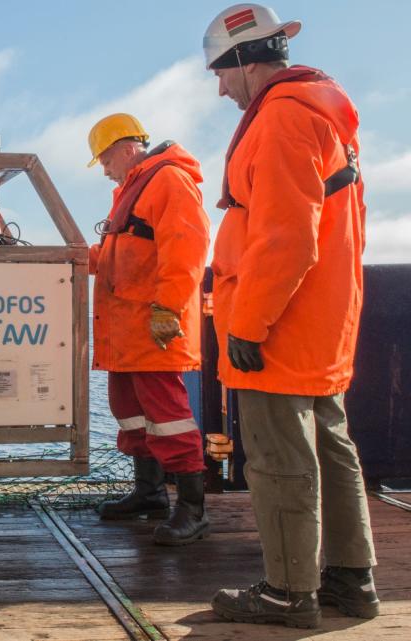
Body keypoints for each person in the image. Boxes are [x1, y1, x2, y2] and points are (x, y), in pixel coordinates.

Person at [202, 4, 378, 628]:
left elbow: (284, 238)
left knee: (278, 460)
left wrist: (247, 324)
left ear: (245, 62)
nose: (220, 87)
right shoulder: (325, 116)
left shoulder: (280, 120)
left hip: (275, 325)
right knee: (332, 447)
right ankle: (351, 580)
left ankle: (287, 592)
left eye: (221, 73)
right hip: (320, 321)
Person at [86, 113, 211, 546]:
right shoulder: (132, 191)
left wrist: (168, 309)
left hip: (152, 327)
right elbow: (115, 256)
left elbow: (187, 247)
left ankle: (193, 510)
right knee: (132, 414)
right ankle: (150, 493)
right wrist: (68, 257)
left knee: (169, 417)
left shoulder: (169, 180)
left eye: (103, 159)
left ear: (126, 148)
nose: (103, 169)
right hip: (126, 332)